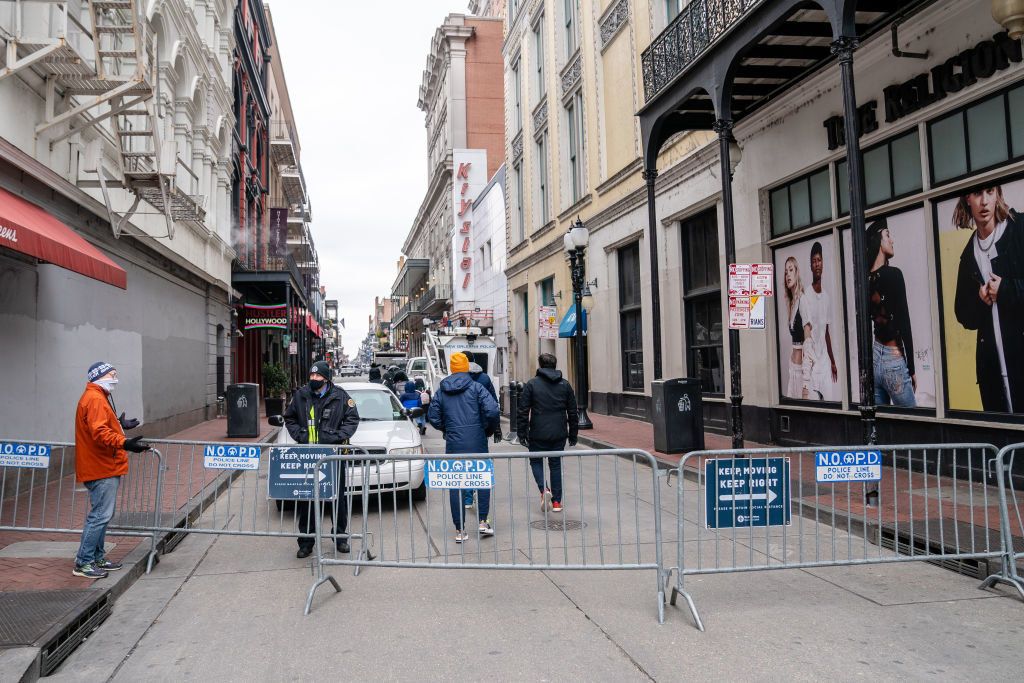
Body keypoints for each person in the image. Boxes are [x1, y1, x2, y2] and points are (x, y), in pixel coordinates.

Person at [73, 362, 148, 579]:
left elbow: (101, 426)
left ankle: (97, 557)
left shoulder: (97, 397)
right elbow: (99, 433)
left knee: (103, 515)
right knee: (99, 515)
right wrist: (125, 443)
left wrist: (119, 424)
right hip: (101, 465)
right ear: (100, 377)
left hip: (103, 464)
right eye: (112, 374)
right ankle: (84, 562)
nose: (115, 378)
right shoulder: (95, 399)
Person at [953, 185, 1024, 413]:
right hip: (992, 375)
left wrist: (1006, 290)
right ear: (967, 199)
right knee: (1002, 444)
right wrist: (980, 300)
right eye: (976, 194)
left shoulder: (1018, 229)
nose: (984, 202)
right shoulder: (968, 255)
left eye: (990, 192)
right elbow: (963, 315)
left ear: (998, 195)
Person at [284, 361, 360, 558]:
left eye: (318, 377)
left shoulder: (340, 396)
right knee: (308, 499)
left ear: (326, 378)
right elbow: (289, 418)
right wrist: (299, 435)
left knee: (337, 499)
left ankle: (340, 537)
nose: (314, 379)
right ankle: (306, 542)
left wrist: (337, 437)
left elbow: (352, 419)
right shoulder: (301, 395)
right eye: (312, 376)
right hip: (308, 456)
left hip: (332, 456)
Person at [428, 352, 500, 542]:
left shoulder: (442, 390)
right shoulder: (476, 387)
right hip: (477, 440)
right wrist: (487, 430)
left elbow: (433, 416)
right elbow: (493, 410)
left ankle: (460, 530)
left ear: (451, 368)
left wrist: (447, 428)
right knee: (482, 480)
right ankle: (483, 522)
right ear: (467, 367)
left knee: (456, 483)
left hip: (454, 443)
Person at [517, 353, 578, 513]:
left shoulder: (532, 384)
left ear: (540, 366)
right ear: (555, 365)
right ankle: (557, 502)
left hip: (538, 431)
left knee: (536, 461)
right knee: (555, 464)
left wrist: (522, 433)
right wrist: (573, 434)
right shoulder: (565, 385)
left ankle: (545, 490)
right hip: (559, 431)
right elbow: (572, 411)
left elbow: (523, 411)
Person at [867, 218, 917, 407]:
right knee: (911, 423)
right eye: (887, 235)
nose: (891, 240)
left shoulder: (866, 279)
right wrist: (911, 368)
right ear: (879, 241)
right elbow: (905, 322)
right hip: (893, 360)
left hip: (875, 359)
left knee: (882, 428)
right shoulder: (894, 275)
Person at [802, 242, 839, 401]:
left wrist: (832, 361)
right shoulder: (806, 296)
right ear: (810, 266)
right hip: (812, 365)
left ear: (823, 263)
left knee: (829, 403)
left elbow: (826, 332)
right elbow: (806, 334)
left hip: (824, 363)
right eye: (814, 261)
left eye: (819, 260)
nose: (817, 264)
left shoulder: (827, 297)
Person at [782, 256, 813, 399]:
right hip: (793, 369)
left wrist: (806, 383)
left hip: (802, 372)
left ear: (796, 273)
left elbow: (808, 342)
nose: (788, 275)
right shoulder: (792, 303)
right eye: (785, 272)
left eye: (791, 270)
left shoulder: (803, 300)